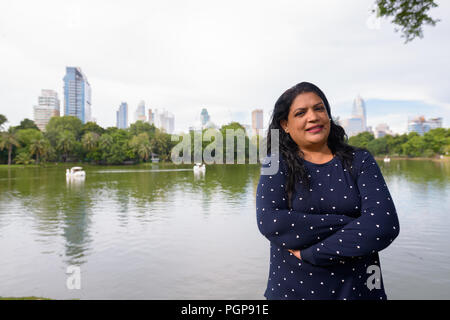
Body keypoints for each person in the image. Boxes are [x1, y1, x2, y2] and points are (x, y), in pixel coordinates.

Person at [256, 82, 400, 300]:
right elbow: (271, 222)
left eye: (319, 108)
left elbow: (384, 226)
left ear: (328, 115)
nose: (313, 117)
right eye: (300, 113)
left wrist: (311, 253)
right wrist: (354, 223)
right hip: (292, 292)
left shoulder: (360, 160)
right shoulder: (274, 163)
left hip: (361, 291)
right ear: (285, 124)